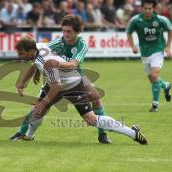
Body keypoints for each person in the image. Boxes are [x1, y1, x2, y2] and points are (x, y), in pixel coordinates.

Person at [14, 36, 148, 145]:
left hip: (72, 83)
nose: (19, 56)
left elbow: (57, 86)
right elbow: (35, 64)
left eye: (21, 53)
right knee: (38, 110)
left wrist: (43, 102)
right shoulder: (39, 46)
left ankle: (132, 133)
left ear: (30, 50)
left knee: (91, 119)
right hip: (55, 82)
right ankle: (29, 136)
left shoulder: (47, 62)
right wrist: (22, 82)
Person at [11, 14, 111, 143]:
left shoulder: (82, 45)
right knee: (39, 106)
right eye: (63, 30)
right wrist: (35, 71)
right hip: (55, 79)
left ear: (78, 31)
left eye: (68, 31)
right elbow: (38, 57)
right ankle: (22, 133)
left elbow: (73, 65)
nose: (65, 34)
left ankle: (102, 134)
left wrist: (56, 64)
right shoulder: (58, 43)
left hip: (75, 77)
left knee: (96, 98)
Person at [126, 0, 172, 112]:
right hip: (144, 52)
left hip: (158, 50)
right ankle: (166, 85)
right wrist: (133, 46)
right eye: (145, 8)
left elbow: (170, 30)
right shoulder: (136, 20)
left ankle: (155, 105)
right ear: (142, 8)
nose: (147, 10)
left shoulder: (161, 20)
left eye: (150, 8)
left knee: (155, 76)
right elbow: (128, 32)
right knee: (153, 80)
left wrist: (167, 46)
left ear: (153, 9)